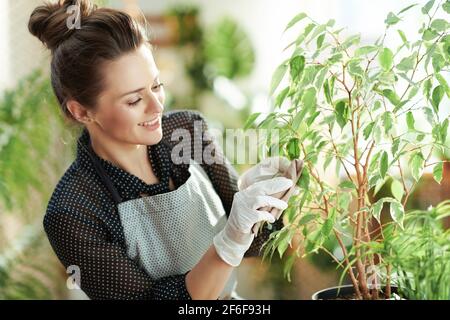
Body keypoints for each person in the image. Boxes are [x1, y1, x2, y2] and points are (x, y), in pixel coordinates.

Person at [28, 0, 296, 300]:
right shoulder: (73, 211)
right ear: (80, 111)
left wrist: (261, 201)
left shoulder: (187, 131)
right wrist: (230, 238)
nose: (157, 107)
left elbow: (258, 245)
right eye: (133, 100)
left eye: (156, 86)